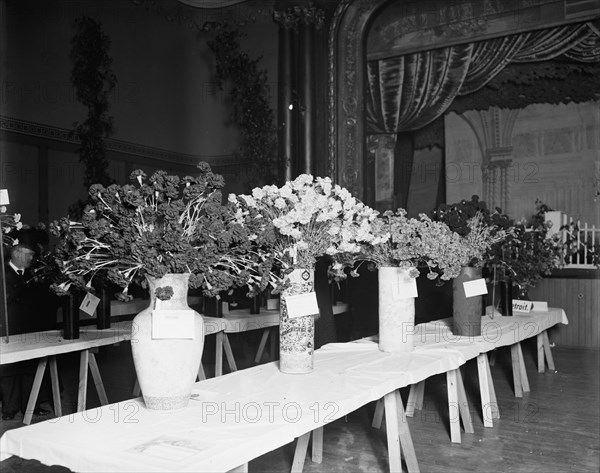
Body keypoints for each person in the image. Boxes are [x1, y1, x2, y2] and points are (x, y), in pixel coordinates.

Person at [0, 227, 54, 421]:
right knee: (8, 370)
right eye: (29, 254)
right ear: (16, 253)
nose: (32, 258)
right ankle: (10, 407)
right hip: (8, 329)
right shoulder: (3, 274)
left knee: (30, 368)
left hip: (30, 329)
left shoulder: (35, 275)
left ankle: (32, 405)